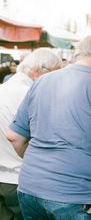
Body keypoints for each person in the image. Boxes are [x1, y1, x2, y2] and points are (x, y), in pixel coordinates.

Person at [7, 34, 91, 219]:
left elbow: (15, 137)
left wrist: (44, 165)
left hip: (30, 190)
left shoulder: (42, 81)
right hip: (76, 197)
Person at [0, 49, 62, 220]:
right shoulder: (32, 94)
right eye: (55, 75)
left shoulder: (4, 89)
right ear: (38, 70)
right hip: (23, 180)